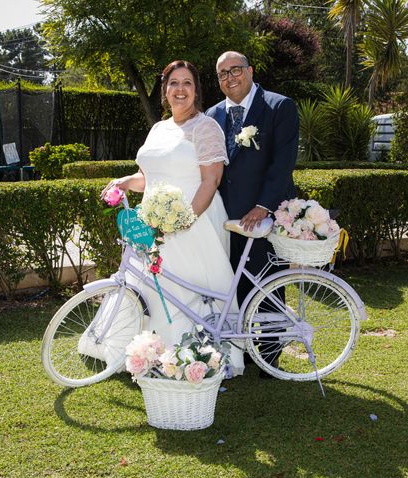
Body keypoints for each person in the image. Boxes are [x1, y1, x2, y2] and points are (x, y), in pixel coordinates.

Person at [102, 60, 245, 375]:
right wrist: (125, 182)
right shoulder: (158, 128)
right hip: (152, 220)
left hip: (195, 221)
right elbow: (147, 177)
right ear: (165, 91)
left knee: (188, 290)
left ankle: (194, 359)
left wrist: (185, 221)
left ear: (196, 90)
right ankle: (150, 355)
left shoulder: (205, 127)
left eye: (187, 83)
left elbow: (211, 181)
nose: (180, 90)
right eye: (173, 83)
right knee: (152, 287)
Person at [206, 51, 299, 376]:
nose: (230, 78)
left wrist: (263, 206)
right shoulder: (212, 114)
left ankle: (270, 354)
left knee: (267, 283)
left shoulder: (279, 106)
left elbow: (282, 164)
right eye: (222, 74)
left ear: (250, 71)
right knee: (234, 281)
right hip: (225, 217)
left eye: (235, 70)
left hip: (265, 214)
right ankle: (241, 349)